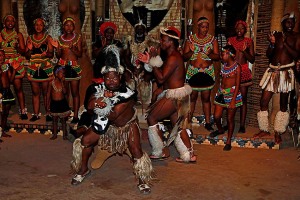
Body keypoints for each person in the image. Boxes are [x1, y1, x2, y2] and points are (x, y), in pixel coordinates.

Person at [70, 45, 153, 194]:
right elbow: (88, 105)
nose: (111, 81)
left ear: (120, 77)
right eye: (108, 78)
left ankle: (143, 180)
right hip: (105, 124)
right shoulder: (98, 88)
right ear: (104, 78)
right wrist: (97, 101)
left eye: (114, 77)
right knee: (85, 141)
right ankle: (83, 170)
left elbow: (114, 114)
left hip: (126, 126)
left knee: (136, 151)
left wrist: (102, 102)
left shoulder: (128, 94)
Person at [138, 26, 196, 163]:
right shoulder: (173, 56)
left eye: (164, 40)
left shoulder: (173, 57)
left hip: (175, 96)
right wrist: (150, 61)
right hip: (178, 95)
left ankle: (161, 150)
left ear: (171, 42)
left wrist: (151, 63)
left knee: (152, 117)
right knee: (177, 125)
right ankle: (189, 154)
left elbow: (161, 78)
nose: (161, 43)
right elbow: (166, 79)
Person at [254, 13, 300, 144]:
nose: (290, 24)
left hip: (286, 72)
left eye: (292, 22)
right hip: (272, 71)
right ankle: (264, 129)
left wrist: (284, 43)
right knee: (263, 101)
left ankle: (278, 131)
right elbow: (269, 54)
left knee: (283, 104)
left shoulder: (297, 37)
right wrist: (272, 44)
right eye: (287, 22)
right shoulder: (277, 35)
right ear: (283, 23)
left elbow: (297, 54)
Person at [183, 16, 219, 131]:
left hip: (207, 72)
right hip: (193, 71)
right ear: (198, 26)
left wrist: (209, 54)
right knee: (192, 97)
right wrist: (192, 51)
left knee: (206, 98)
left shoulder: (213, 40)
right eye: (203, 27)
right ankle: (187, 122)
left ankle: (208, 122)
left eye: (207, 27)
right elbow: (184, 57)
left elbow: (217, 57)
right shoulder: (190, 40)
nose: (205, 29)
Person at [209, 45, 242, 151]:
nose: (221, 56)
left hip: (233, 94)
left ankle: (228, 141)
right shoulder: (224, 65)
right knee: (216, 116)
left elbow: (237, 85)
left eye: (223, 54)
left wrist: (233, 101)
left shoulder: (237, 67)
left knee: (229, 119)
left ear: (229, 54)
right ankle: (220, 130)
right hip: (221, 93)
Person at [227, 20, 255, 133]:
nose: (239, 30)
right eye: (238, 28)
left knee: (243, 99)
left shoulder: (248, 41)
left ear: (245, 30)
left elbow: (252, 59)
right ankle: (229, 122)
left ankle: (242, 125)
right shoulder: (230, 40)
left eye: (242, 28)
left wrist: (244, 51)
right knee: (230, 98)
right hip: (232, 71)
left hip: (243, 71)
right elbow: (225, 57)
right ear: (235, 29)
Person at [54, 17, 82, 124]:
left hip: (74, 67)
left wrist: (73, 49)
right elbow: (59, 55)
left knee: (75, 93)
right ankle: (64, 114)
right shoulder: (60, 38)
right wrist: (58, 49)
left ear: (74, 27)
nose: (68, 27)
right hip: (62, 67)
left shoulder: (78, 38)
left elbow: (80, 54)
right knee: (64, 92)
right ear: (63, 27)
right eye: (66, 25)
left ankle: (75, 115)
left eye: (71, 25)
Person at [25, 18, 55, 122]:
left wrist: (47, 54)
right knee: (35, 92)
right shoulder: (29, 38)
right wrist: (29, 48)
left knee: (46, 92)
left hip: (45, 68)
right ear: (34, 26)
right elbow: (27, 55)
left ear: (44, 26)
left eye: (41, 25)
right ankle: (36, 114)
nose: (38, 27)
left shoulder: (48, 38)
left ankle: (48, 113)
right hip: (33, 68)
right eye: (36, 25)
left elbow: (51, 55)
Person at [0, 14, 27, 120]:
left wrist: (18, 48)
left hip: (15, 63)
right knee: (3, 87)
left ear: (15, 23)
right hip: (4, 63)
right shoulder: (0, 35)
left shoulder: (18, 35)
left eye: (12, 21)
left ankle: (23, 110)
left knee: (18, 87)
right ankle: (3, 111)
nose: (10, 23)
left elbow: (23, 50)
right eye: (8, 21)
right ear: (4, 23)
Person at [123, 20, 155, 105]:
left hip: (145, 66)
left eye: (141, 29)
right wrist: (132, 68)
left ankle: (144, 100)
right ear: (135, 30)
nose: (139, 31)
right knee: (127, 76)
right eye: (138, 29)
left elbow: (150, 57)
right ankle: (130, 99)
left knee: (147, 77)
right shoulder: (130, 41)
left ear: (145, 31)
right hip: (131, 66)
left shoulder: (149, 42)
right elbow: (126, 56)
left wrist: (141, 68)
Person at [48, 65, 71, 140]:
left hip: (62, 103)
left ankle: (65, 134)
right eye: (61, 73)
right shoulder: (51, 83)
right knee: (54, 120)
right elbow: (48, 94)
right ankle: (54, 134)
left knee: (63, 120)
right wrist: (47, 104)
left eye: (64, 73)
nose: (63, 75)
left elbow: (65, 92)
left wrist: (62, 83)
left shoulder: (64, 82)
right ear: (56, 73)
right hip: (54, 103)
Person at [0, 49, 16, 141]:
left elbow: (10, 80)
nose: (1, 57)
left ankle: (2, 130)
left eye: (2, 55)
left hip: (7, 91)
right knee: (1, 113)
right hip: (0, 92)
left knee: (5, 112)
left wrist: (13, 69)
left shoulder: (6, 66)